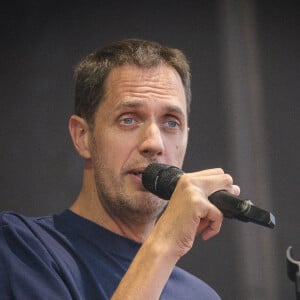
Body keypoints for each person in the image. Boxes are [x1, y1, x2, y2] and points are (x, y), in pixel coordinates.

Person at [0, 39, 240, 299]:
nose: (154, 143)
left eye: (171, 123)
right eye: (129, 119)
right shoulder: (21, 247)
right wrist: (165, 243)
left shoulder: (201, 296)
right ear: (82, 136)